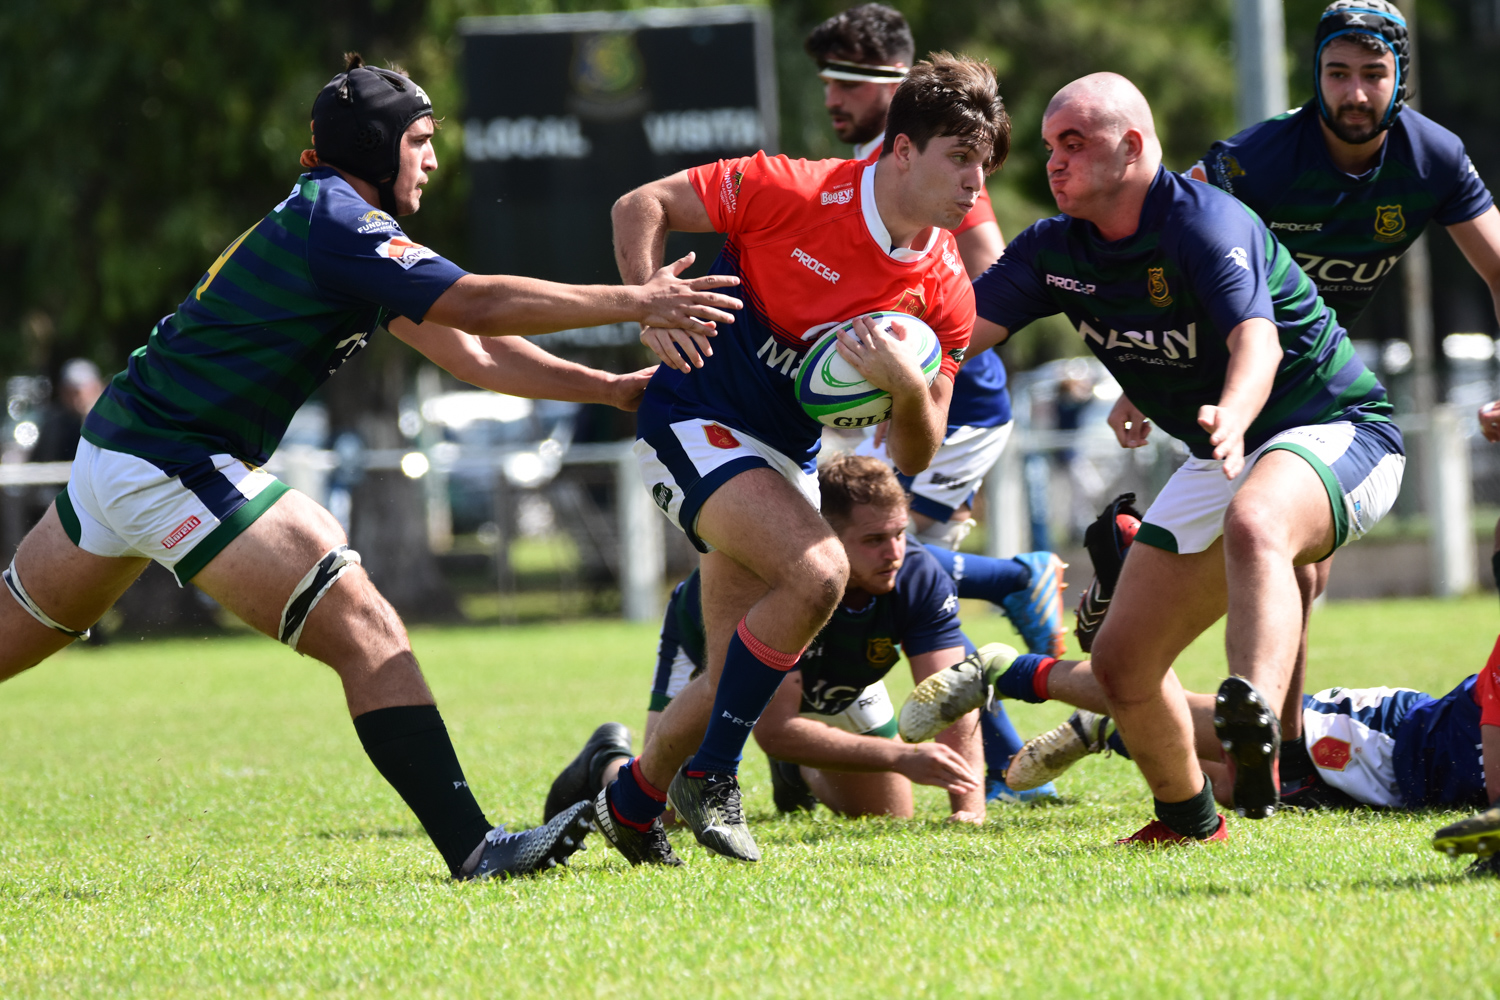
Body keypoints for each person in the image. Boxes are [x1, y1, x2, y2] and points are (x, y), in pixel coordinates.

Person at [0, 55, 745, 882]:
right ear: (374, 145)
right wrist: (635, 300)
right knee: (367, 628)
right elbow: (480, 304)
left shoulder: (341, 226)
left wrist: (607, 389)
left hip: (121, 448)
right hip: (164, 459)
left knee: (9, 641)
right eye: (421, 140)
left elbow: (473, 352)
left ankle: (477, 847)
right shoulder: (340, 225)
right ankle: (477, 849)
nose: (433, 158)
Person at [956, 72, 1403, 844]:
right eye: (1049, 147)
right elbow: (958, 330)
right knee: (1124, 661)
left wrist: (1231, 412)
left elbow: (1254, 340)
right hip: (1223, 453)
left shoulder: (1205, 224)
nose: (1054, 163)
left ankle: (1254, 722)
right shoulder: (1051, 248)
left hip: (1338, 429)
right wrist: (865, 356)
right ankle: (1188, 819)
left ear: (1131, 148)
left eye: (1074, 144)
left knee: (1258, 521)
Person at [595, 53, 1010, 865]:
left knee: (726, 680)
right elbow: (638, 203)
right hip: (691, 417)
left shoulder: (945, 290)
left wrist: (903, 386)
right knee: (820, 573)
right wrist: (649, 302)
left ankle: (628, 801)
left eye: (984, 164)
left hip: (782, 455)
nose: (975, 183)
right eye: (959, 158)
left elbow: (917, 450)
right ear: (900, 151)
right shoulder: (794, 188)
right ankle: (713, 774)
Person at [1105, 0, 1500, 786]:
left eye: (1374, 75)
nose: (1355, 93)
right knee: (1275, 556)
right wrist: (1143, 375)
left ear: (1401, 79)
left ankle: (1281, 757)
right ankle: (1271, 749)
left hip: (1319, 377)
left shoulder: (1433, 158)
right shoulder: (1253, 160)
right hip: (1238, 379)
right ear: (1313, 76)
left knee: (1297, 559)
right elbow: (1160, 242)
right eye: (1337, 73)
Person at [805, 7, 1067, 797]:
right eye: (827, 82)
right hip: (903, 400)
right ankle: (1011, 767)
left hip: (957, 400)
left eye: (846, 81)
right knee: (896, 572)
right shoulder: (872, 161)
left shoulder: (950, 158)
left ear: (892, 81)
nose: (832, 98)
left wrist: (924, 362)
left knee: (902, 571)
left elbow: (988, 262)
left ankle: (1013, 587)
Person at [541, 456, 987, 858]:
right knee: (668, 811)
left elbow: (951, 693)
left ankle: (798, 773)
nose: (894, 553)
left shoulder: (919, 576)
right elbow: (776, 731)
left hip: (836, 677)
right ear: (826, 535)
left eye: (900, 534)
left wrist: (968, 807)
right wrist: (899, 757)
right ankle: (607, 761)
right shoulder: (795, 580)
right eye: (873, 539)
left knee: (888, 811)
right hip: (714, 653)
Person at [898, 638, 1498, 871]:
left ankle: (1110, 733)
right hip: (1381, 738)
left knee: (1235, 790)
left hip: (1396, 788)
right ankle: (1010, 670)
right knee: (1176, 707)